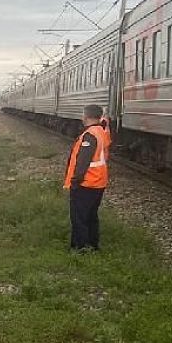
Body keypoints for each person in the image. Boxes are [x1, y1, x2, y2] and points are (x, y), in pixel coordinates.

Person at [64, 104, 111, 252]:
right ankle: (93, 244)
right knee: (91, 216)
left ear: (86, 116)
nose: (81, 117)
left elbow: (82, 162)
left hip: (87, 182)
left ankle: (80, 247)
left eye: (82, 114)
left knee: (79, 217)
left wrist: (75, 181)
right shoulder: (102, 132)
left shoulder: (89, 135)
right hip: (99, 182)